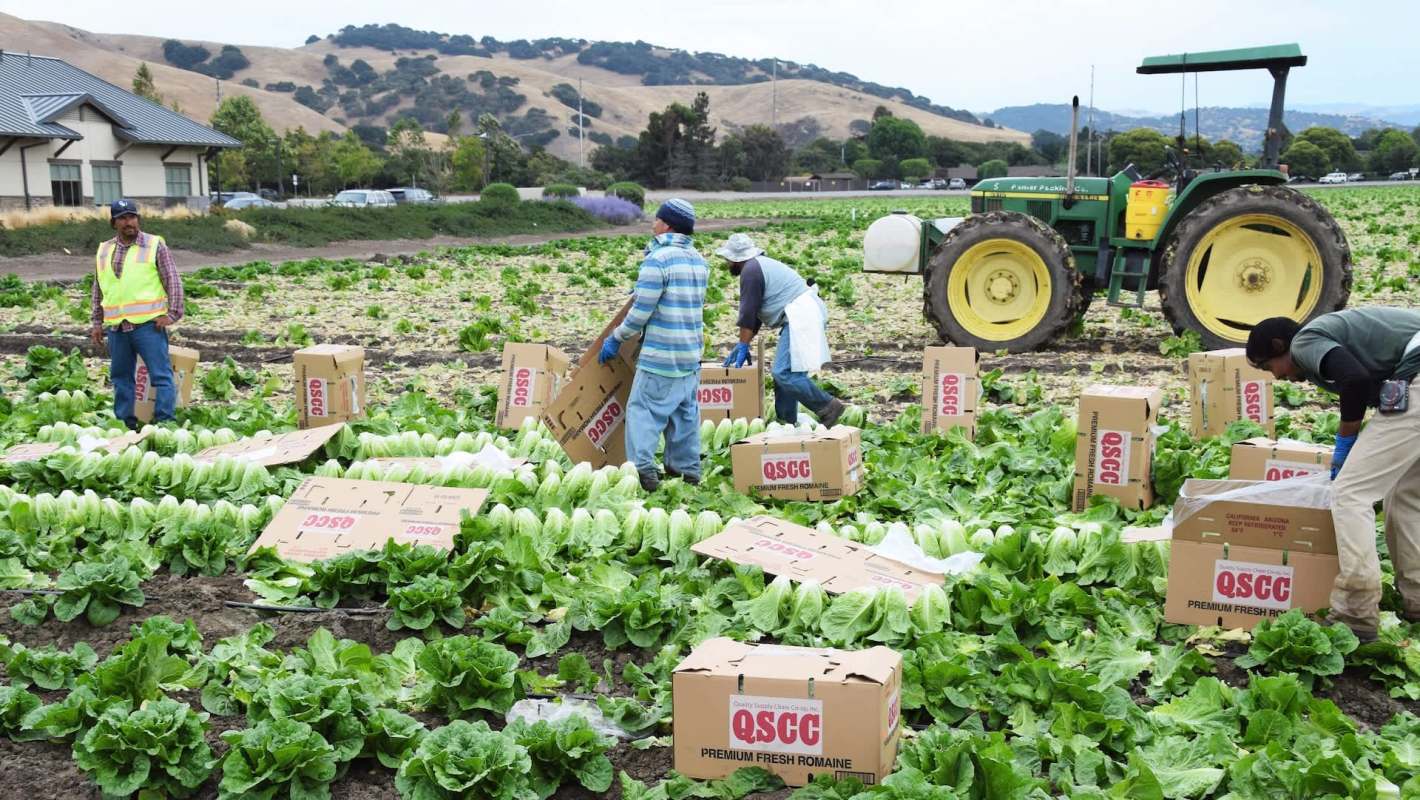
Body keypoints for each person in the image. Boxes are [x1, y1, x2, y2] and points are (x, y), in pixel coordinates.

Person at [1247, 307, 1420, 637]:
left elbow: (1355, 380)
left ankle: (1355, 614)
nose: (1277, 377)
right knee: (1406, 494)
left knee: (1351, 493)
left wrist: (1345, 441)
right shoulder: (1332, 335)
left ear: (1278, 345)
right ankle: (1417, 599)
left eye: (1269, 367)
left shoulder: (1305, 341)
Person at [598, 198, 708, 492]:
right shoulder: (698, 260)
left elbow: (640, 312)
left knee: (643, 409)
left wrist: (616, 338)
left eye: (657, 219)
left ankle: (644, 471)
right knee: (684, 414)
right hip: (690, 353)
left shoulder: (657, 260)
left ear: (667, 225)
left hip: (662, 354)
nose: (652, 224)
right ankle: (687, 472)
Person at [715, 233, 845, 427]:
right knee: (786, 373)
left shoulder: (750, 271)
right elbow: (756, 315)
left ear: (735, 259)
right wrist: (743, 344)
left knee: (784, 373)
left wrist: (743, 344)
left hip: (801, 315)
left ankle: (827, 406)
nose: (727, 264)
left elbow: (748, 313)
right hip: (802, 313)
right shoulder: (757, 266)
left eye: (728, 260)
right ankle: (786, 421)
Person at [89, 199, 185, 430]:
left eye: (132, 217)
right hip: (117, 328)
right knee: (121, 378)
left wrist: (172, 314)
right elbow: (98, 287)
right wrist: (96, 322)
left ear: (138, 219)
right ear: (114, 223)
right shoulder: (104, 250)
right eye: (122, 218)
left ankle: (165, 424)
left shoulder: (154, 245)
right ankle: (126, 425)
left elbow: (172, 279)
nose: (128, 222)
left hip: (148, 326)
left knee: (161, 375)